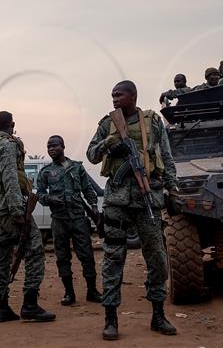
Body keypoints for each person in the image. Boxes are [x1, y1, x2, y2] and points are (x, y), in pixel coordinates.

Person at [86, 80, 177, 340]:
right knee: (114, 259)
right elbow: (91, 154)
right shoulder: (107, 124)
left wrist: (173, 190)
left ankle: (158, 315)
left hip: (148, 197)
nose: (114, 98)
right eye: (112, 94)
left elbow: (167, 157)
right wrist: (110, 144)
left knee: (157, 258)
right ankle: (111, 319)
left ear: (133, 96)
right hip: (116, 201)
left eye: (119, 94)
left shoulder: (153, 122)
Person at [0, 111, 55, 323]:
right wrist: (18, 211)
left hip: (0, 209)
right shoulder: (8, 145)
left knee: (1, 255)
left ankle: (2, 308)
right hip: (12, 208)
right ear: (12, 125)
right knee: (35, 249)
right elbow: (10, 177)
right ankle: (29, 305)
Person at [37, 135, 101, 306]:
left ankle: (92, 291)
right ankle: (69, 293)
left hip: (79, 218)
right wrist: (50, 199)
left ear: (63, 146)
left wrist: (94, 206)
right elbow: (40, 194)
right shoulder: (46, 172)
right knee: (62, 257)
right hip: (59, 220)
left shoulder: (77, 168)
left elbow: (88, 189)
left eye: (54, 146)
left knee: (86, 255)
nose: (51, 149)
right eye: (48, 146)